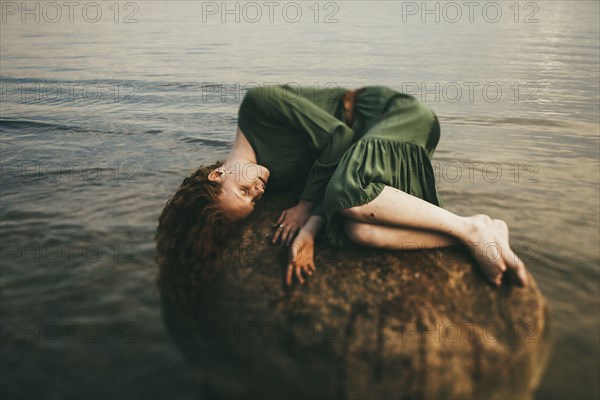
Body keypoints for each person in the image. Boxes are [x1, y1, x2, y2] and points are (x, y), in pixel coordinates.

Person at [157, 84, 528, 289]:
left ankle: (473, 229)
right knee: (361, 231)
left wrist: (307, 211)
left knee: (343, 197)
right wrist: (314, 225)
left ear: (217, 175)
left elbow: (340, 138)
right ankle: (477, 229)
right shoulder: (270, 174)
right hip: (368, 151)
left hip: (391, 118)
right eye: (254, 201)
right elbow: (335, 177)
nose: (258, 191)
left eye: (244, 191)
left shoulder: (257, 105)